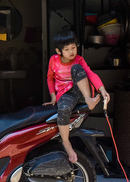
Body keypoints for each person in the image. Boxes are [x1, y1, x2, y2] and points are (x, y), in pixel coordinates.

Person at [43, 30, 110, 163]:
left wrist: (102, 90)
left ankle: (89, 100)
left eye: (73, 47)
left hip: (82, 91)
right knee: (62, 110)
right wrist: (53, 97)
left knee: (77, 68)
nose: (71, 52)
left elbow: (90, 74)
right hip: (66, 95)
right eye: (67, 49)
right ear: (58, 51)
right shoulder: (54, 61)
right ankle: (67, 144)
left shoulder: (79, 59)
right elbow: (49, 78)